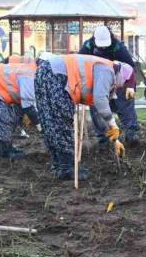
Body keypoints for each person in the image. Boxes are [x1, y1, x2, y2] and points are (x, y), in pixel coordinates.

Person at [34, 53, 134, 181]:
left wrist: (115, 139)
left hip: (46, 71)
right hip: (56, 76)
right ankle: (66, 168)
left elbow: (100, 111)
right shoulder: (107, 70)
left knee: (50, 121)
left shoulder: (104, 69)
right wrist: (114, 125)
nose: (120, 88)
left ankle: (58, 165)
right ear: (122, 76)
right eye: (122, 86)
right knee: (61, 121)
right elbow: (100, 101)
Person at [78, 26, 140, 146]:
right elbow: (78, 64)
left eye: (105, 44)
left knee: (125, 104)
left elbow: (130, 68)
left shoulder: (118, 47)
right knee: (97, 108)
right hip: (96, 82)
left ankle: (131, 132)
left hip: (118, 82)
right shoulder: (88, 47)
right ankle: (104, 137)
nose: (104, 47)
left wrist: (130, 87)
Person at [0, 60, 40, 159]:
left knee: (16, 116)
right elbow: (28, 106)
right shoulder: (30, 76)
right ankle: (3, 151)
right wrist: (40, 126)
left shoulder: (33, 72)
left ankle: (4, 145)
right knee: (4, 118)